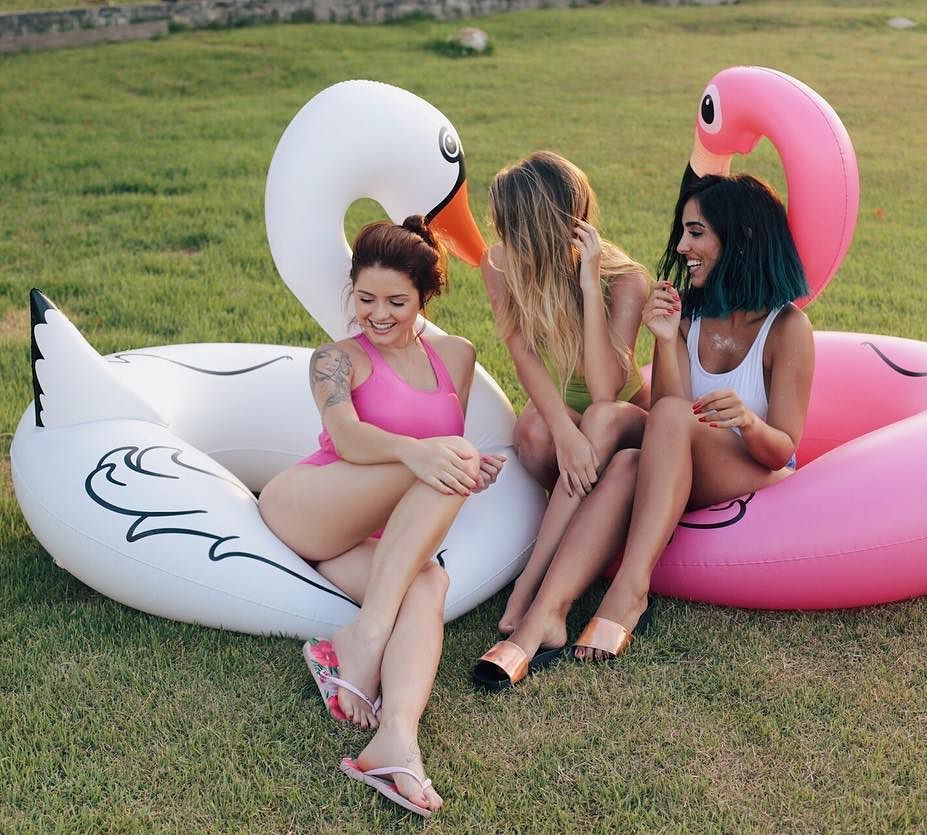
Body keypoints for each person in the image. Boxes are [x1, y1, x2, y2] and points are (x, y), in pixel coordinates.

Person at [473, 173, 813, 685]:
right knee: (620, 441)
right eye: (683, 232)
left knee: (669, 416)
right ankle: (545, 615)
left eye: (696, 233)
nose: (681, 247)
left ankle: (629, 590)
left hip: (751, 463)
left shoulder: (786, 328)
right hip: (677, 459)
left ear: (740, 236)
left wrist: (746, 420)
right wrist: (666, 338)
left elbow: (782, 449)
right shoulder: (686, 312)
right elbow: (667, 416)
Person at [259, 217, 503, 816]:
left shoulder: (457, 356)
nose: (378, 314)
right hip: (309, 506)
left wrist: (468, 467)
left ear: (425, 296)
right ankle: (365, 637)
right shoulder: (335, 360)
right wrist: (424, 453)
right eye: (366, 298)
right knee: (452, 456)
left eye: (397, 301)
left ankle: (396, 741)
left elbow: (439, 458)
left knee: (431, 583)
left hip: (371, 542)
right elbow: (346, 439)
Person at [476, 152, 652, 665]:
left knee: (597, 418)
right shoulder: (500, 263)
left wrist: (590, 285)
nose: (505, 239)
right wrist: (562, 430)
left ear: (547, 229)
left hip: (623, 418)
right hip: (575, 420)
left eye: (514, 229)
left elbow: (605, 390)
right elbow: (523, 354)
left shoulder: (626, 280)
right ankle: (581, 520)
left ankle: (530, 587)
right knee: (533, 432)